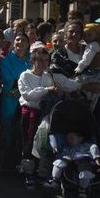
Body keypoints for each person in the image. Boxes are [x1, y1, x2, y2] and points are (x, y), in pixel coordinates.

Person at [18, 43, 80, 188]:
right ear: (33, 61)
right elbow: (28, 96)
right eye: (39, 60)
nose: (43, 63)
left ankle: (41, 172)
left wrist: (57, 92)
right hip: (29, 113)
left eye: (46, 60)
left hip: (46, 115)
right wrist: (47, 89)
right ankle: (28, 173)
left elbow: (56, 92)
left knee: (44, 143)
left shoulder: (48, 76)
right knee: (28, 143)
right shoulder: (25, 75)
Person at [0, 33, 31, 159]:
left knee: (27, 125)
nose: (20, 42)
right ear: (13, 43)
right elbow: (8, 79)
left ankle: (25, 155)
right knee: (9, 124)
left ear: (28, 44)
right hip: (10, 98)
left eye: (24, 40)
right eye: (18, 39)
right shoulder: (7, 60)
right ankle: (9, 155)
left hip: (29, 98)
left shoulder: (32, 58)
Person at [50, 131, 100, 198]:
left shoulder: (86, 145)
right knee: (59, 162)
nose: (69, 141)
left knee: (85, 170)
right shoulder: (67, 148)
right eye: (67, 139)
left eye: (72, 138)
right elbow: (60, 155)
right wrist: (65, 157)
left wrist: (96, 158)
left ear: (80, 139)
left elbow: (94, 147)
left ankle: (83, 189)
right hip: (71, 164)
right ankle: (55, 180)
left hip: (84, 162)